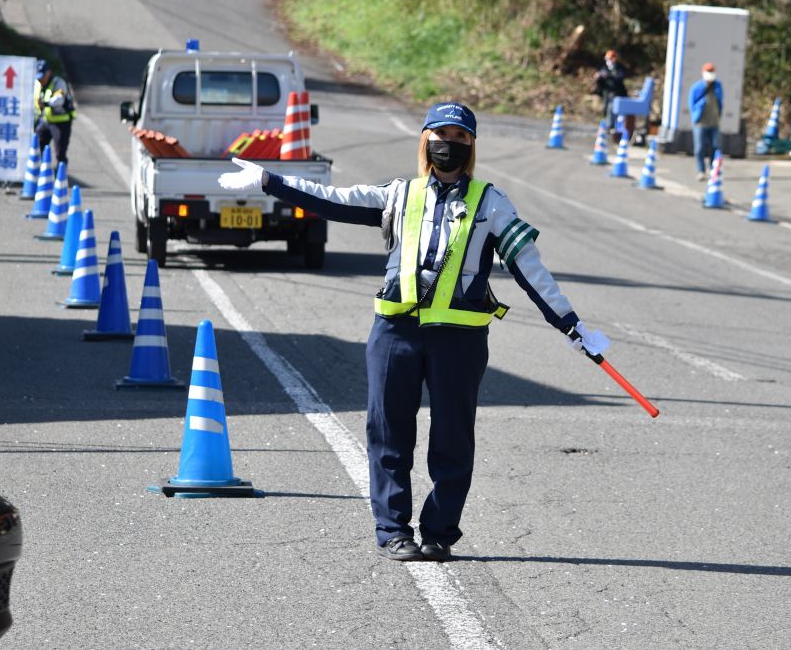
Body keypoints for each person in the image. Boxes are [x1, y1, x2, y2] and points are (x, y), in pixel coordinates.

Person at [217, 102, 610, 562]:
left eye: (460, 137)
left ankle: (439, 532)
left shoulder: (492, 202)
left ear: (471, 146)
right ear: (425, 141)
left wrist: (570, 323)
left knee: (453, 438)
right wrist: (272, 182)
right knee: (388, 433)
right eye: (441, 135)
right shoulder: (400, 195)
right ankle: (393, 531)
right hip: (394, 333)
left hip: (459, 340)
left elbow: (530, 269)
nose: (450, 145)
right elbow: (336, 200)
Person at [34, 59, 76, 168]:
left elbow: (59, 99)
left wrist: (46, 103)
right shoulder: (38, 84)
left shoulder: (59, 83)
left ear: (49, 72)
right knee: (36, 147)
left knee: (60, 154)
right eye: (38, 77)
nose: (41, 79)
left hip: (61, 123)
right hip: (44, 121)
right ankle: (38, 176)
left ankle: (61, 180)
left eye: (42, 76)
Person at [689, 62, 723, 181]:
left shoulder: (718, 85)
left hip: (714, 122)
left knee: (716, 147)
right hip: (700, 122)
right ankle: (701, 171)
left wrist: (719, 116)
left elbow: (720, 103)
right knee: (699, 148)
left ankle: (713, 169)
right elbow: (692, 104)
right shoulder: (697, 87)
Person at [592, 49, 629, 134]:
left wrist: (608, 75)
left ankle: (610, 125)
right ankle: (607, 124)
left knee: (611, 108)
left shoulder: (619, 68)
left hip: (617, 92)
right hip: (606, 92)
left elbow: (620, 77)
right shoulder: (604, 68)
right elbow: (600, 82)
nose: (610, 61)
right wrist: (599, 78)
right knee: (606, 108)